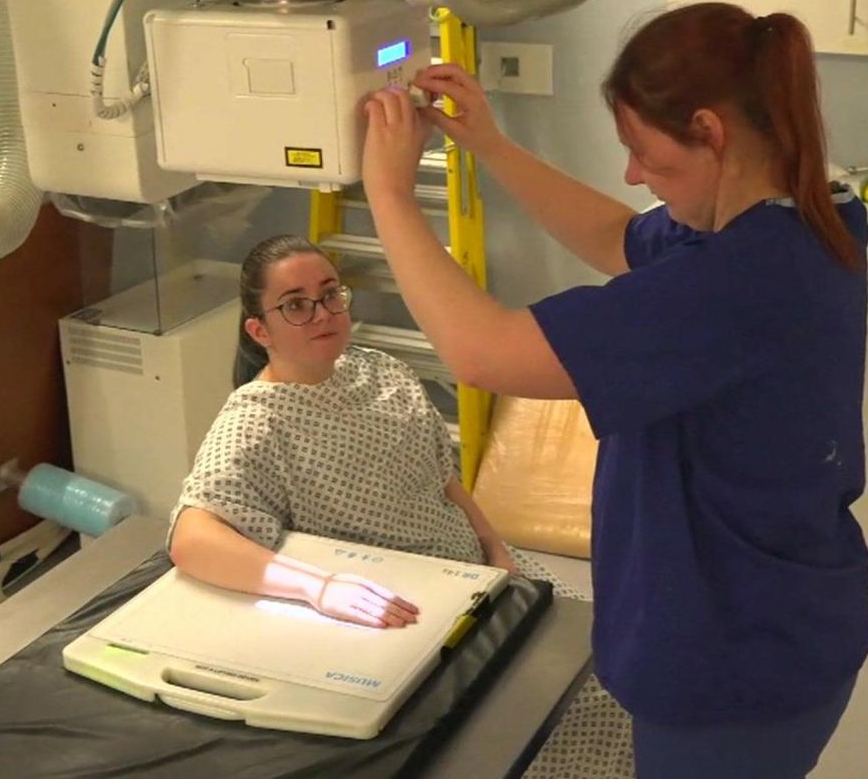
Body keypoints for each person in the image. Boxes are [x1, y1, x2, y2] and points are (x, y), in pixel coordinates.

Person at [360, 4, 868, 778]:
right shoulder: (801, 211)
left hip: (735, 662)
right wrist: (491, 145)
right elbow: (616, 237)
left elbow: (482, 352)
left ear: (711, 132)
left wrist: (390, 197)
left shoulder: (733, 285)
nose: (634, 176)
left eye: (645, 155)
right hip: (783, 612)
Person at [167, 234, 635, 777]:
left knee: (616, 660)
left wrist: (494, 547)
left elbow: (443, 480)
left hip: (477, 573)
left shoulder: (381, 371)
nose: (321, 313)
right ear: (259, 330)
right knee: (550, 719)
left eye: (329, 294)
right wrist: (318, 587)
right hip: (399, 607)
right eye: (295, 305)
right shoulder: (256, 421)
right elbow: (192, 538)